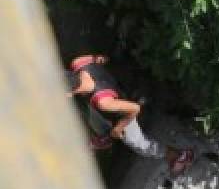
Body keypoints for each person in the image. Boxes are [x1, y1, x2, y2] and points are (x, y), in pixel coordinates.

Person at [66, 54, 195, 175]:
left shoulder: (103, 102)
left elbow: (134, 109)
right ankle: (105, 139)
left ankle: (179, 155)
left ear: (72, 91)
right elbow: (102, 58)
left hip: (122, 113)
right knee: (95, 119)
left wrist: (119, 128)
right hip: (110, 89)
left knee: (140, 144)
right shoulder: (78, 63)